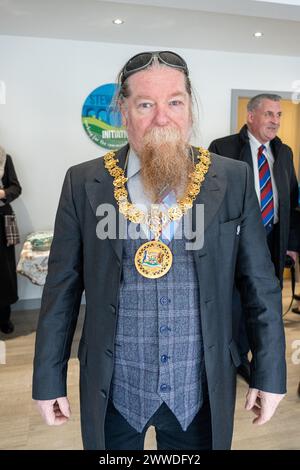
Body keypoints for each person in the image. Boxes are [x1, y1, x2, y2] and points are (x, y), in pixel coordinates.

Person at [33, 51, 286, 451]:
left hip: (200, 390)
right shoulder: (84, 182)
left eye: (175, 102)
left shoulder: (233, 178)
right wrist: (48, 379)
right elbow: (61, 289)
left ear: (189, 107)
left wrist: (270, 374)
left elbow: (260, 284)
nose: (162, 118)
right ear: (124, 111)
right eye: (146, 104)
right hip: (113, 389)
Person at [209, 94, 299, 382]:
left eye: (278, 115)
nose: (275, 120)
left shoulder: (283, 152)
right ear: (251, 117)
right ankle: (227, 357)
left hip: (271, 238)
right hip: (235, 240)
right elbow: (210, 198)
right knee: (231, 301)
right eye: (269, 114)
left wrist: (293, 244)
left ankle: (247, 357)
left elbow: (292, 199)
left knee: (260, 300)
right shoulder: (223, 148)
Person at [0, 146, 22, 334]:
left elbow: (16, 187)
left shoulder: (4, 158)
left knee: (4, 271)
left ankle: (4, 318)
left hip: (1, 221)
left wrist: (2, 193)